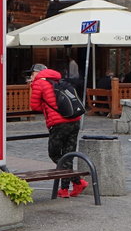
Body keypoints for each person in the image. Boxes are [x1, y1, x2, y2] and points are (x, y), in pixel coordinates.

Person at [29, 65, 88, 197]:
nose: (30, 77)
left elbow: (35, 106)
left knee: (54, 154)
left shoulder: (39, 83)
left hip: (58, 123)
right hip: (74, 120)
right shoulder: (59, 80)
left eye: (31, 74)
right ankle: (65, 190)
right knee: (68, 154)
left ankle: (77, 182)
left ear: (37, 73)